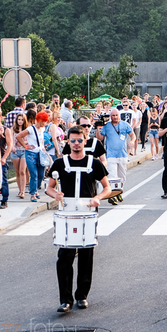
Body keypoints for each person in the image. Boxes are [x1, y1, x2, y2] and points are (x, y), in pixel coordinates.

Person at [47, 126, 111, 313]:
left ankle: (81, 296)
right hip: (66, 212)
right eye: (73, 140)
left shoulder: (94, 163)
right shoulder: (60, 163)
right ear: (67, 141)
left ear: (85, 141)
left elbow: (107, 187)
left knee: (86, 254)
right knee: (64, 256)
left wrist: (98, 197)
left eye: (79, 140)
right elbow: (49, 187)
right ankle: (65, 300)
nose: (76, 144)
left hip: (88, 212)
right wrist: (55, 195)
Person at [17, 111, 50, 202]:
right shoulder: (30, 129)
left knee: (41, 174)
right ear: (40, 121)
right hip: (31, 153)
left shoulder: (42, 129)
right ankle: (33, 194)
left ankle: (35, 190)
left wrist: (43, 147)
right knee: (34, 174)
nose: (46, 123)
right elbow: (19, 136)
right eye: (44, 121)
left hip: (40, 153)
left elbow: (42, 139)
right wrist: (25, 146)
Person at [96, 108, 135, 184]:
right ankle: (113, 194)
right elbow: (100, 138)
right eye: (113, 115)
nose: (115, 117)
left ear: (119, 115)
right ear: (110, 116)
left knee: (122, 177)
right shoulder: (106, 126)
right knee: (112, 177)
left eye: (116, 115)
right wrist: (98, 128)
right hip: (111, 156)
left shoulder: (125, 124)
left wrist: (132, 141)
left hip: (122, 155)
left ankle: (120, 193)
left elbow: (132, 134)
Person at [12, 113, 29, 199]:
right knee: (17, 172)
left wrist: (23, 143)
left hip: (24, 151)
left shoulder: (27, 130)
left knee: (22, 171)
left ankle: (23, 191)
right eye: (19, 119)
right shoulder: (13, 129)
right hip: (15, 151)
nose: (20, 121)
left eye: (22, 119)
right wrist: (13, 147)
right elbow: (11, 141)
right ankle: (20, 190)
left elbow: (27, 141)